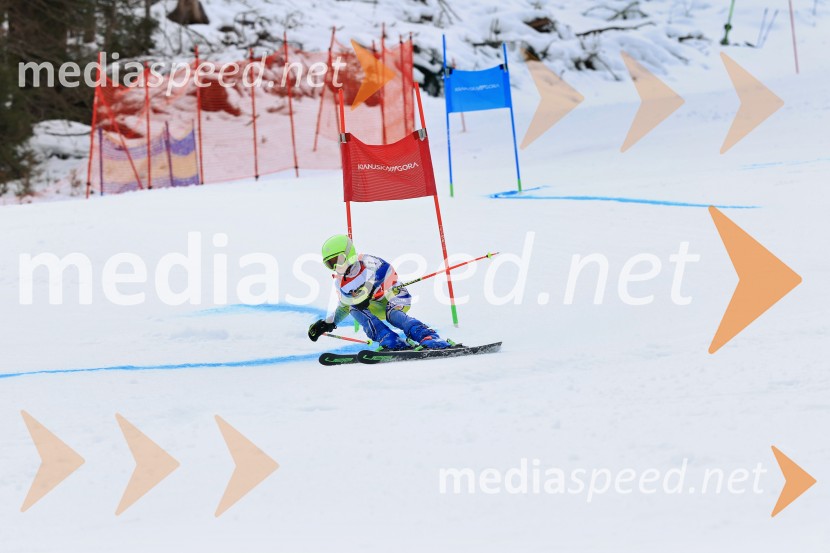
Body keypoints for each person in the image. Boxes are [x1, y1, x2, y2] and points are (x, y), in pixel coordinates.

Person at [308, 234, 452, 350]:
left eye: (338, 260)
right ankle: (389, 339)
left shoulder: (367, 261)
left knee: (393, 314)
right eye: (330, 263)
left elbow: (384, 271)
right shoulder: (341, 283)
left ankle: (428, 336)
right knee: (353, 307)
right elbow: (345, 306)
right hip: (375, 306)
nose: (336, 266)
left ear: (348, 253)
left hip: (395, 296)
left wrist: (366, 291)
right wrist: (326, 324)